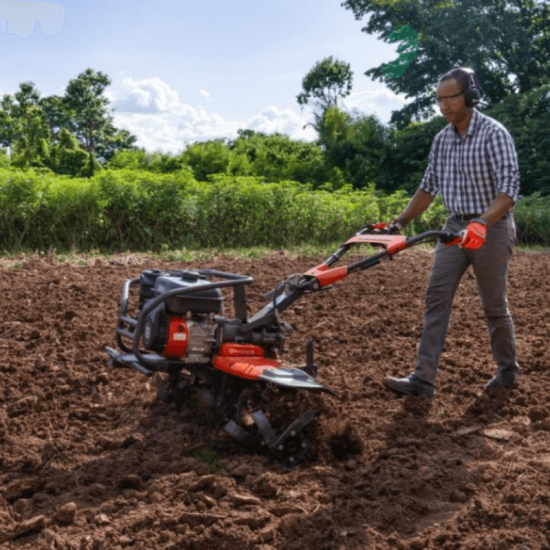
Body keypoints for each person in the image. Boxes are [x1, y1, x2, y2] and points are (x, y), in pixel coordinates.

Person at [383, 67, 520, 398]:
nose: (444, 106)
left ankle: (507, 372)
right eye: (439, 99)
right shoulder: (441, 140)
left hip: (492, 227)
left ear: (471, 96)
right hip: (454, 227)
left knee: (493, 306)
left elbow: (509, 191)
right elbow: (427, 189)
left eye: (451, 98)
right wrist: (399, 223)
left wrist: (482, 222)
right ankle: (423, 378)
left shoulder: (494, 134)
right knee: (436, 298)